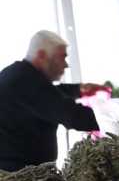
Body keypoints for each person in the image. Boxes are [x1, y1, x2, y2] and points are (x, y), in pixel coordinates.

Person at [0, 30, 101, 172]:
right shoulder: (30, 83)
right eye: (62, 57)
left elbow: (48, 95)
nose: (66, 65)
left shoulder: (18, 74)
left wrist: (78, 90)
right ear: (42, 56)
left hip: (14, 169)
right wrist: (118, 122)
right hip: (19, 177)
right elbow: (74, 117)